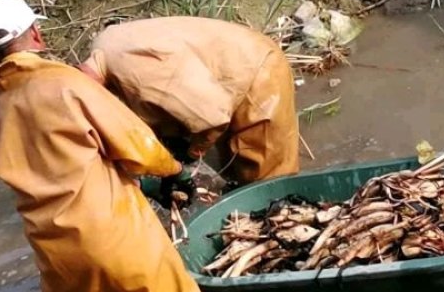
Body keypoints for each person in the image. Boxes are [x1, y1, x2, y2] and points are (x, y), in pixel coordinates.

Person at [0, 0, 227, 292]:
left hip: (58, 256)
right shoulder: (66, 83)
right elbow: (136, 144)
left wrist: (140, 186)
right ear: (37, 34)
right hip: (116, 239)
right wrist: (174, 171)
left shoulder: (0, 112)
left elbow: (60, 173)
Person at [79, 16, 300, 185]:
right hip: (228, 65)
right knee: (234, 167)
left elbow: (212, 117)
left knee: (267, 184)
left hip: (257, 73)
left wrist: (195, 150)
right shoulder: (103, 46)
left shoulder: (134, 69)